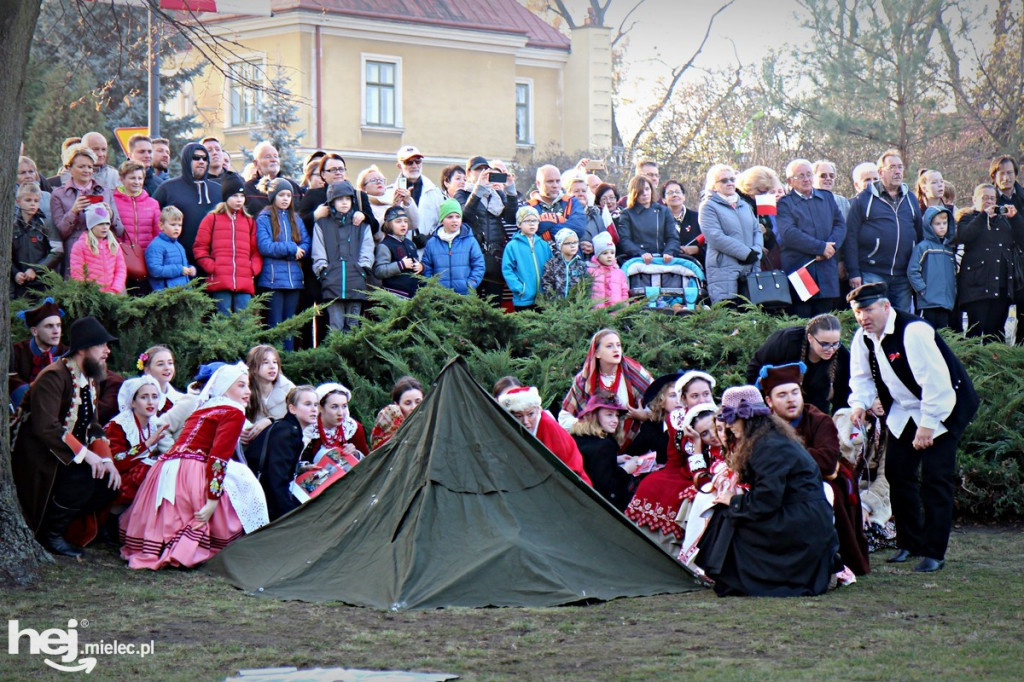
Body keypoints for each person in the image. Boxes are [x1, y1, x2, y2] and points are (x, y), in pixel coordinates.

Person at [847, 282, 979, 572]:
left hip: (944, 407)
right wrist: (859, 403)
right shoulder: (863, 338)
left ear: (886, 307)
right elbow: (861, 378)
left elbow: (937, 384)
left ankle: (934, 552)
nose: (863, 317)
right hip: (904, 411)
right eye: (858, 312)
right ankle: (909, 542)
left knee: (935, 478)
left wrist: (928, 426)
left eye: (868, 310)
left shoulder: (914, 331)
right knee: (898, 473)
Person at [120, 361, 269, 569]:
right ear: (224, 389)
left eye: (248, 386)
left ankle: (159, 546)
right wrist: (212, 501)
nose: (247, 392)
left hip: (166, 467)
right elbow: (218, 459)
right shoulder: (233, 411)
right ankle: (183, 550)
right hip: (192, 469)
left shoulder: (203, 407)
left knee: (171, 514)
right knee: (238, 489)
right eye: (240, 385)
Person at [694, 385, 839, 596]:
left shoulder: (769, 446)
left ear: (747, 418)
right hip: (798, 512)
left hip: (802, 521)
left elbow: (768, 500)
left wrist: (734, 501)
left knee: (730, 517)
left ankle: (739, 578)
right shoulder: (767, 440)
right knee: (726, 514)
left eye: (732, 419)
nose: (729, 425)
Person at [12, 316, 121, 557]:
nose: (107, 351)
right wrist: (85, 456)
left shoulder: (91, 378)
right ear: (83, 349)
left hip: (66, 453)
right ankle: (49, 534)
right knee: (83, 477)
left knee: (109, 484)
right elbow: (46, 427)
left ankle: (68, 527)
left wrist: (106, 460)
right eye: (101, 345)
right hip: (40, 455)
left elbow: (92, 423)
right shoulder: (55, 376)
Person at [758, 362, 870, 576]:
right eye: (782, 395)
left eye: (794, 392)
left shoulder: (820, 421)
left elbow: (826, 462)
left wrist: (782, 456)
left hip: (822, 481)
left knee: (829, 496)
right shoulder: (764, 425)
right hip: (777, 483)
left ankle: (830, 562)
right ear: (769, 401)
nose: (791, 399)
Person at [624, 372, 713, 553]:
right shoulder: (677, 419)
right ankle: (645, 546)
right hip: (680, 470)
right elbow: (674, 457)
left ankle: (677, 549)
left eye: (706, 394)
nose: (702, 399)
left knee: (684, 495)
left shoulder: (717, 419)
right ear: (685, 399)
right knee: (651, 483)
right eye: (695, 396)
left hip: (709, 473)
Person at [843, 149, 922, 312]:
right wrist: (854, 272)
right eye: (892, 167)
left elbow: (919, 234)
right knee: (874, 317)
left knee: (901, 322)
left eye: (900, 167)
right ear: (880, 172)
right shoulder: (864, 199)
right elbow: (850, 237)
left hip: (903, 275)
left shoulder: (911, 198)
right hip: (872, 271)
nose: (898, 171)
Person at [776, 158, 847, 317]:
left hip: (826, 270)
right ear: (790, 181)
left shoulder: (827, 197)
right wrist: (821, 247)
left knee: (826, 320)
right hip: (802, 271)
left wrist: (831, 248)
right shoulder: (784, 204)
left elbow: (840, 225)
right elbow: (789, 234)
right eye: (801, 176)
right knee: (803, 322)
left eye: (809, 174)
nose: (807, 179)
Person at [558, 328, 653, 443]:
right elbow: (564, 417)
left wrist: (646, 415)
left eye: (618, 345)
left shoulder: (634, 372)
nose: (616, 350)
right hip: (597, 443)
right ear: (597, 353)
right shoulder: (584, 379)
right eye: (609, 346)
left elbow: (661, 403)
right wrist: (589, 425)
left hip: (634, 441)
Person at [746, 313, 851, 415]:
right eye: (824, 344)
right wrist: (764, 409)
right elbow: (754, 370)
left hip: (816, 412)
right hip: (779, 408)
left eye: (835, 343)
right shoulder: (787, 341)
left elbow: (844, 397)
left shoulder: (841, 356)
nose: (831, 349)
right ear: (810, 338)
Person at [956, 183, 1024, 338]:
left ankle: (994, 362)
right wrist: (983, 216)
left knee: (996, 335)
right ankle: (971, 362)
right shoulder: (968, 218)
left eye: (992, 198)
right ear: (974, 199)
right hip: (976, 287)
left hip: (1001, 287)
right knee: (974, 332)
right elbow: (965, 236)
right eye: (984, 198)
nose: (989, 201)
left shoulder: (1004, 221)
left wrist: (1015, 218)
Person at [244, 385, 319, 521]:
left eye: (316, 404)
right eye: (307, 404)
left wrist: (301, 468)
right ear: (292, 408)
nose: (314, 409)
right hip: (263, 503)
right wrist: (290, 515)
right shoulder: (287, 433)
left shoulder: (288, 429)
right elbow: (276, 478)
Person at [193, 175, 262, 315]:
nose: (239, 200)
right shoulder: (211, 219)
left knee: (244, 321)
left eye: (242, 196)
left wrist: (252, 269)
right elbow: (200, 248)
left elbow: (256, 252)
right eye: (235, 195)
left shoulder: (249, 222)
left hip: (244, 282)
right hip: (220, 282)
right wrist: (213, 267)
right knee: (222, 321)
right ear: (226, 197)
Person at [498, 386, 592, 485]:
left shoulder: (549, 427)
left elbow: (569, 468)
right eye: (519, 416)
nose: (525, 422)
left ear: (538, 410)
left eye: (530, 414)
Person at [256, 177, 311, 349]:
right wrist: (291, 249)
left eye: (288, 195)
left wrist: (295, 251)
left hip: (294, 281)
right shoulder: (264, 218)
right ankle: (274, 361)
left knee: (290, 326)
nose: (286, 199)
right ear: (273, 196)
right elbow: (265, 246)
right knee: (275, 325)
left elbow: (306, 244)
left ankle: (288, 362)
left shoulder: (296, 219)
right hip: (273, 281)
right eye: (281, 195)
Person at [51, 143, 123, 272]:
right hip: (75, 255)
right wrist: (73, 211)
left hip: (103, 254)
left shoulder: (105, 191)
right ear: (69, 168)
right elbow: (60, 233)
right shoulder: (58, 194)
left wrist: (110, 215)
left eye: (90, 167)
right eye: (81, 166)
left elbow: (120, 230)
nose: (87, 170)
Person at [312, 180, 373, 332]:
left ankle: (352, 357)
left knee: (353, 327)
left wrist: (363, 269)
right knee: (335, 327)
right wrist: (323, 270)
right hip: (332, 282)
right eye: (340, 199)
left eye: (347, 199)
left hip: (356, 282)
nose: (344, 202)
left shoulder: (361, 224)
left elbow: (367, 247)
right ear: (332, 202)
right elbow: (318, 250)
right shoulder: (322, 224)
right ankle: (335, 356)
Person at [699, 164, 763, 304]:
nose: (729, 183)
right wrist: (745, 253)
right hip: (723, 270)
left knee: (751, 316)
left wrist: (756, 252)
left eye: (732, 179)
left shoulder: (745, 205)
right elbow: (715, 236)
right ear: (714, 185)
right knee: (729, 316)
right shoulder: (708, 206)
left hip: (750, 268)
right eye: (724, 180)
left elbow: (756, 230)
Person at [456, 156, 518, 301]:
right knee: (471, 305)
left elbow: (511, 217)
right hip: (472, 257)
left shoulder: (496, 194)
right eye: (478, 169)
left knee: (494, 307)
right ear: (468, 173)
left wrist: (510, 189)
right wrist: (479, 188)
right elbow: (465, 216)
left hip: (495, 257)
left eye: (485, 169)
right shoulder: (462, 193)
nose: (483, 172)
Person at [104, 375, 170, 508]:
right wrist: (146, 445)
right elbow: (116, 460)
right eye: (144, 397)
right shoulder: (119, 425)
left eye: (155, 397)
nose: (151, 402)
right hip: (113, 484)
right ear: (133, 402)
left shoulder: (152, 424)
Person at [152, 142, 219, 263]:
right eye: (196, 158)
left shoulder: (218, 190)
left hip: (211, 262)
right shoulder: (168, 188)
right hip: (177, 262)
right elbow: (153, 220)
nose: (201, 161)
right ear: (186, 160)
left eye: (205, 158)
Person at [570, 395, 639, 511]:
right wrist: (626, 469)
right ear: (594, 416)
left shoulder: (578, 436)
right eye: (609, 415)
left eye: (617, 415)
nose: (616, 420)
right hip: (600, 509)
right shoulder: (605, 445)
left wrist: (615, 459)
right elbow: (607, 487)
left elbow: (590, 461)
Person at [299, 154, 380, 240]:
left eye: (341, 169)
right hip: (322, 248)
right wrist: (315, 216)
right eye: (333, 170)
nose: (338, 172)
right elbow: (298, 225)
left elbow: (374, 227)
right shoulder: (313, 194)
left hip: (354, 249)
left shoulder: (359, 196)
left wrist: (364, 217)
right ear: (323, 174)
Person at [9, 299, 67, 408]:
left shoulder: (67, 353)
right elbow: (10, 379)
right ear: (34, 331)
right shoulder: (17, 351)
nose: (56, 331)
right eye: (49, 326)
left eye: (58, 325)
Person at [420, 198, 485, 295]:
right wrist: (432, 286)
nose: (455, 220)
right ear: (442, 220)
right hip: (440, 296)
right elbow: (427, 267)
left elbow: (479, 265)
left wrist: (470, 284)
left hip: (465, 296)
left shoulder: (470, 241)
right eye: (450, 217)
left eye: (458, 216)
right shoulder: (432, 243)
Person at [908, 206, 957, 329]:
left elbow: (954, 273)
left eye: (945, 223)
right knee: (928, 332)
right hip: (928, 302)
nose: (942, 226)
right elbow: (913, 271)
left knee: (943, 335)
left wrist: (953, 292)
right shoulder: (923, 247)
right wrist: (923, 290)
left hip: (946, 302)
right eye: (937, 223)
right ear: (929, 225)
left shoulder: (949, 249)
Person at [12, 182, 61, 298]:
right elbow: (5, 255)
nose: (33, 204)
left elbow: (57, 251)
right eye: (28, 200)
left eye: (36, 201)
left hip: (44, 283)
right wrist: (15, 273)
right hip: (20, 284)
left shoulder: (46, 223)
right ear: (18, 202)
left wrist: (35, 270)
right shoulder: (11, 226)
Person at [302, 382, 369, 465]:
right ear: (320, 408)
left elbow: (368, 462)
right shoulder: (308, 430)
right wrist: (305, 467)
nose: (340, 413)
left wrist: (355, 454)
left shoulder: (352, 428)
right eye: (334, 407)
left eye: (344, 406)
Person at [617, 175, 679, 263]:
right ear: (634, 193)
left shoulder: (664, 211)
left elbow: (673, 238)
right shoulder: (627, 214)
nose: (645, 193)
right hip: (637, 261)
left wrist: (669, 252)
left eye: (647, 189)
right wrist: (641, 253)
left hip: (662, 260)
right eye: (640, 191)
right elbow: (625, 240)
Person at [69, 203, 126, 294]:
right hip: (91, 298)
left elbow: (121, 269)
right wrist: (89, 295)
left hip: (112, 297)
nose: (105, 227)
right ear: (91, 226)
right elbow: (77, 273)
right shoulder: (80, 246)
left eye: (107, 223)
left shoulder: (114, 245)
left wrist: (114, 290)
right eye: (100, 224)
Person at [502, 206, 551, 311]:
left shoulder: (544, 245)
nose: (532, 223)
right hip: (523, 299)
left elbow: (551, 267)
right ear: (519, 224)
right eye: (527, 220)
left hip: (543, 298)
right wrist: (520, 288)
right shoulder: (512, 246)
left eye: (534, 220)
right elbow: (507, 270)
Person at [244, 344, 296, 442]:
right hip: (252, 450)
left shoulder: (289, 390)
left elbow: (301, 423)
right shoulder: (245, 391)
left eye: (275, 362)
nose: (272, 367)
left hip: (283, 448)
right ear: (254, 368)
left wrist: (270, 421)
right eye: (266, 362)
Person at [390, 145, 445, 236]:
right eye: (409, 162)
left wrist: (429, 237)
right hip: (400, 246)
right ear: (399, 166)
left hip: (427, 247)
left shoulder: (435, 192)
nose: (414, 166)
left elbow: (442, 221)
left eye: (418, 161)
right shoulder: (390, 192)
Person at [373, 205, 424, 299]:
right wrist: (400, 265)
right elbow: (379, 271)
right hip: (394, 295)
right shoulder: (385, 245)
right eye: (398, 221)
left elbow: (416, 263)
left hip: (413, 296)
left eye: (405, 221)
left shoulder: (410, 244)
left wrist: (421, 267)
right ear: (388, 224)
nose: (403, 224)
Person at [113, 160, 161, 256]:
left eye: (140, 178)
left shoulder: (152, 204)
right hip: (120, 256)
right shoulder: (113, 201)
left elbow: (158, 232)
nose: (137, 182)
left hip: (147, 256)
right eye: (132, 178)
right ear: (122, 179)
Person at [244, 141, 302, 217]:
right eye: (268, 157)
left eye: (276, 156)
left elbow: (301, 215)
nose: (273, 160)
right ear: (256, 163)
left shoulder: (293, 187)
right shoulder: (248, 189)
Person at [528, 164, 585, 240]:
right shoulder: (529, 207)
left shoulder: (572, 202)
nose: (555, 185)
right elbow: (528, 231)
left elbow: (579, 228)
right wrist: (562, 222)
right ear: (538, 183)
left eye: (558, 181)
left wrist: (547, 233)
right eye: (550, 182)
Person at [145, 206, 195, 291]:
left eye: (179, 225)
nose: (177, 228)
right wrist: (180, 270)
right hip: (166, 294)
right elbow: (155, 270)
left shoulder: (179, 246)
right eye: (172, 224)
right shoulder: (156, 246)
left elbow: (183, 266)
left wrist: (190, 269)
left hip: (183, 292)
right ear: (161, 225)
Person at [370, 376, 424, 449]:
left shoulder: (431, 424)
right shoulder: (388, 430)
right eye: (407, 403)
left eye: (418, 402)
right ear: (397, 405)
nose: (414, 407)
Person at [662, 180, 703, 264]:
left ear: (684, 196)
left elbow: (709, 245)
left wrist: (696, 249)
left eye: (677, 192)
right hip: (666, 267)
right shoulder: (658, 220)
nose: (674, 195)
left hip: (693, 267)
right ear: (663, 199)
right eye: (670, 193)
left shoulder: (698, 218)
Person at [541, 227, 588, 299]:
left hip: (576, 307)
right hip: (556, 307)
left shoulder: (581, 265)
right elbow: (547, 284)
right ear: (560, 245)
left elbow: (585, 285)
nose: (573, 246)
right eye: (568, 243)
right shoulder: (552, 264)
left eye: (575, 242)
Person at [587, 231, 629, 309]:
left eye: (612, 253)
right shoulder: (591, 271)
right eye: (605, 253)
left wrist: (625, 308)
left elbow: (624, 293)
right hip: (596, 314)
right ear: (597, 255)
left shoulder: (619, 273)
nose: (609, 256)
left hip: (616, 313)